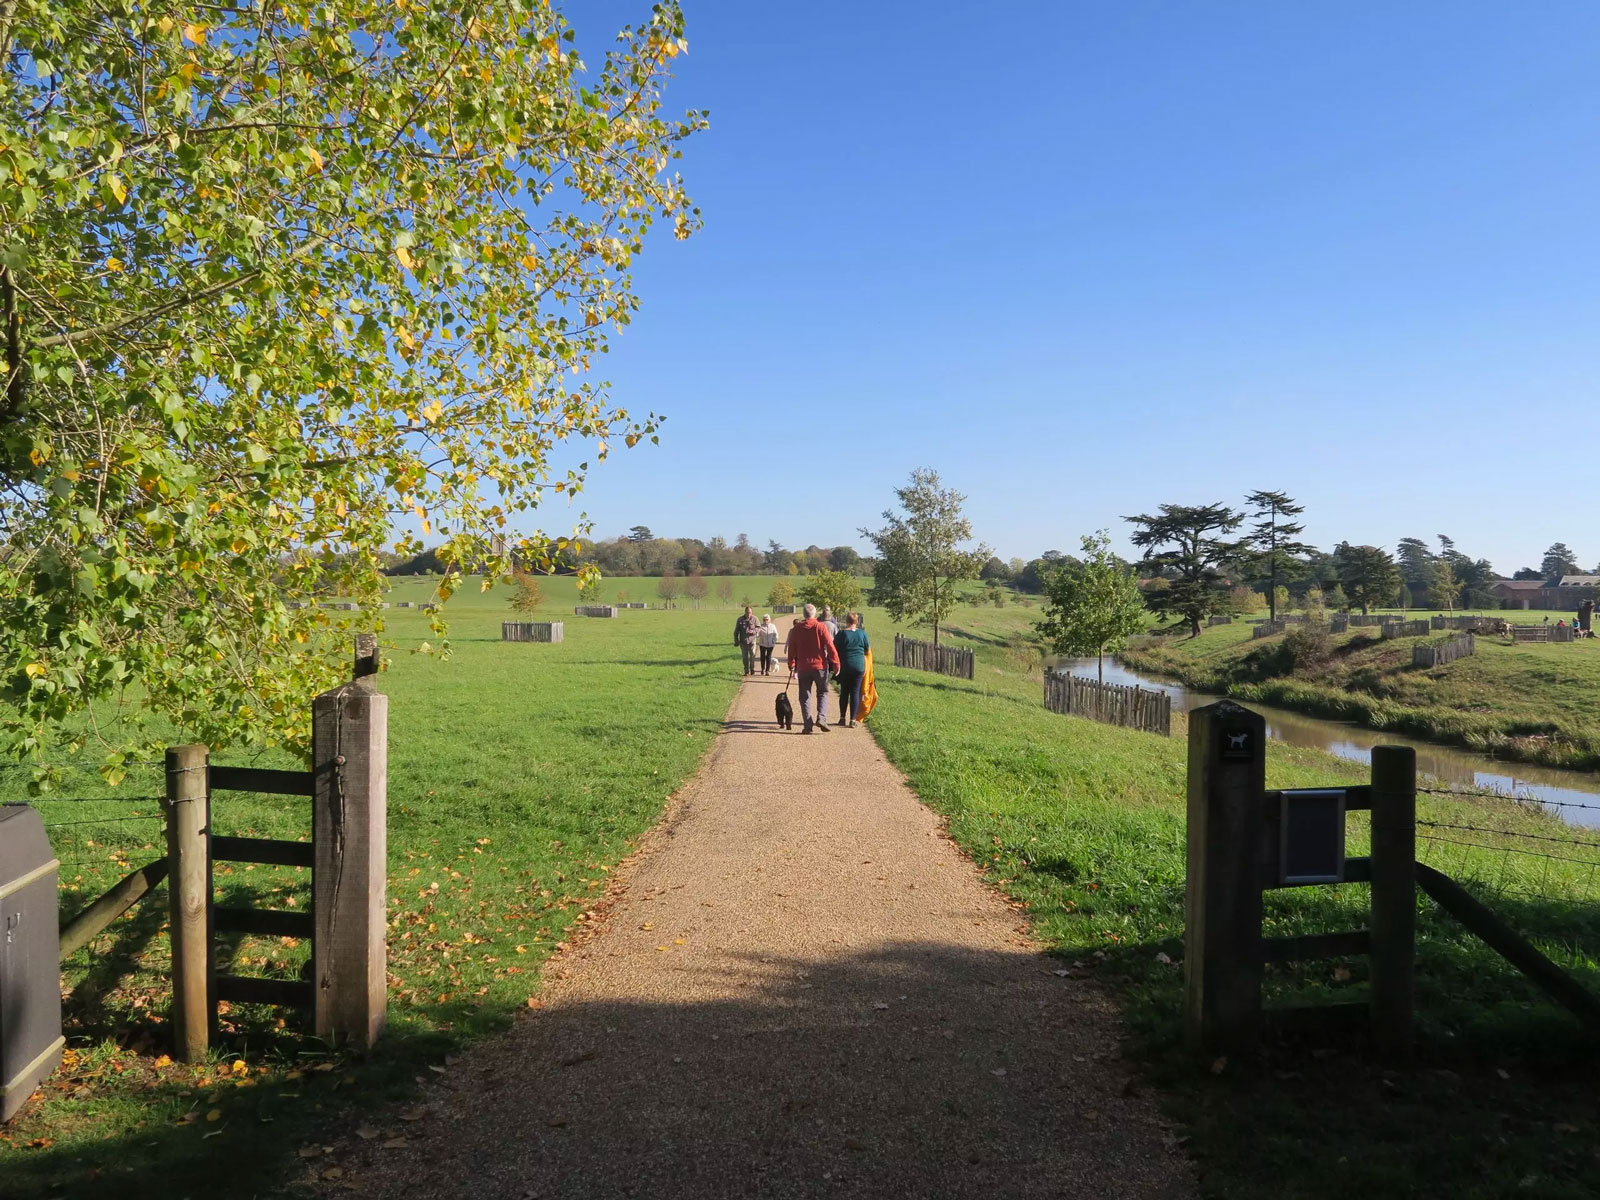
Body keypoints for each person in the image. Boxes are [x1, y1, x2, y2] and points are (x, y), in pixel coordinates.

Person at [786, 603, 840, 733]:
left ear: (804, 614)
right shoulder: (820, 627)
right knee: (822, 692)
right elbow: (830, 645)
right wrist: (836, 662)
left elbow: (791, 649)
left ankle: (807, 725)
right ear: (814, 614)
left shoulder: (796, 629)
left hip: (803, 667)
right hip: (820, 666)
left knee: (804, 696)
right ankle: (821, 717)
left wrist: (791, 664)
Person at [832, 612, 870, 727]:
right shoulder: (862, 634)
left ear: (846, 621)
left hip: (845, 665)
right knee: (855, 692)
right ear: (856, 622)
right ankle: (853, 719)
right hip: (858, 666)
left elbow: (834, 648)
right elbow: (867, 648)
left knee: (844, 691)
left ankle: (842, 718)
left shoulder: (842, 634)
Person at [734, 605, 760, 676]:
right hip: (743, 642)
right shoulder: (740, 619)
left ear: (752, 612)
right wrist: (736, 641)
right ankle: (746, 670)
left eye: (750, 612)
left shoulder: (755, 619)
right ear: (745, 612)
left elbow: (758, 628)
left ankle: (752, 669)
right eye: (747, 612)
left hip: (752, 641)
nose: (749, 614)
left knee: (752, 655)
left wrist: (753, 631)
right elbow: (736, 631)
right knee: (745, 657)